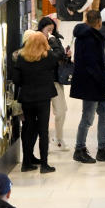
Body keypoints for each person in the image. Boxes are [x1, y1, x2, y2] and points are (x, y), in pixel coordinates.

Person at [69, 10, 105, 164]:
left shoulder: (83, 37)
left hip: (91, 83)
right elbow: (94, 66)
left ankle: (103, 148)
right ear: (98, 21)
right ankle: (79, 149)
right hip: (91, 85)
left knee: (104, 115)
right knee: (88, 117)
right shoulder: (91, 39)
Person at [10, 32, 58, 174]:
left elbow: (16, 80)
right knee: (43, 131)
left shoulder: (21, 58)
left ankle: (26, 163)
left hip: (27, 98)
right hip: (43, 98)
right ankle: (44, 164)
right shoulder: (48, 57)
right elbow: (57, 59)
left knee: (28, 129)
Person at [36, 16, 70, 150]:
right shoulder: (35, 40)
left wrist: (67, 56)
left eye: (52, 29)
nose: (50, 32)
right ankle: (44, 141)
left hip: (55, 81)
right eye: (48, 29)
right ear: (41, 29)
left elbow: (60, 55)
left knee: (61, 111)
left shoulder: (55, 39)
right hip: (41, 82)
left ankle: (59, 138)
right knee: (42, 115)